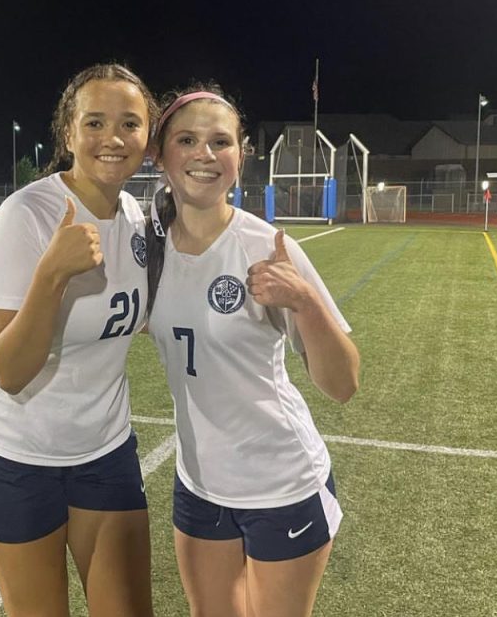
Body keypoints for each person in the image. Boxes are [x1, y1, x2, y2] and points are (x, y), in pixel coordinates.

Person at [145, 85, 360, 617]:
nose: (204, 154)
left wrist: (306, 303)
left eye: (221, 141)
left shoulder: (266, 247)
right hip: (199, 482)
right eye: (187, 139)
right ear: (160, 154)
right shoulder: (144, 248)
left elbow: (343, 384)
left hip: (281, 481)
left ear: (241, 155)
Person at [0, 63, 157, 617]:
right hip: (16, 452)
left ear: (148, 137)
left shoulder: (135, 215)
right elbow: (10, 370)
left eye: (129, 123)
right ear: (68, 133)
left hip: (104, 448)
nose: (113, 138)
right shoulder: (26, 215)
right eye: (94, 122)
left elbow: (136, 314)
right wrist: (51, 275)